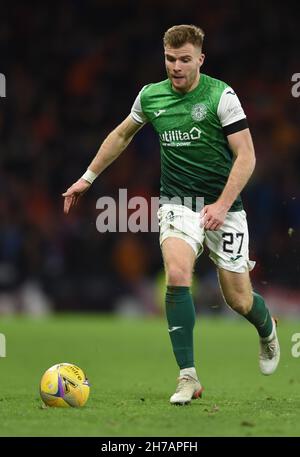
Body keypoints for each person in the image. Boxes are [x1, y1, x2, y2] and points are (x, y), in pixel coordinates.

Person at [63, 24, 280, 405]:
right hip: (178, 205)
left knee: (239, 300)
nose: (175, 67)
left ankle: (267, 330)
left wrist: (223, 204)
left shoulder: (221, 96)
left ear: (200, 59)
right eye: (169, 59)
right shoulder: (151, 96)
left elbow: (247, 156)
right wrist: (87, 177)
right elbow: (121, 135)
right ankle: (188, 377)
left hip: (224, 207)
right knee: (177, 273)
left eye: (183, 60)